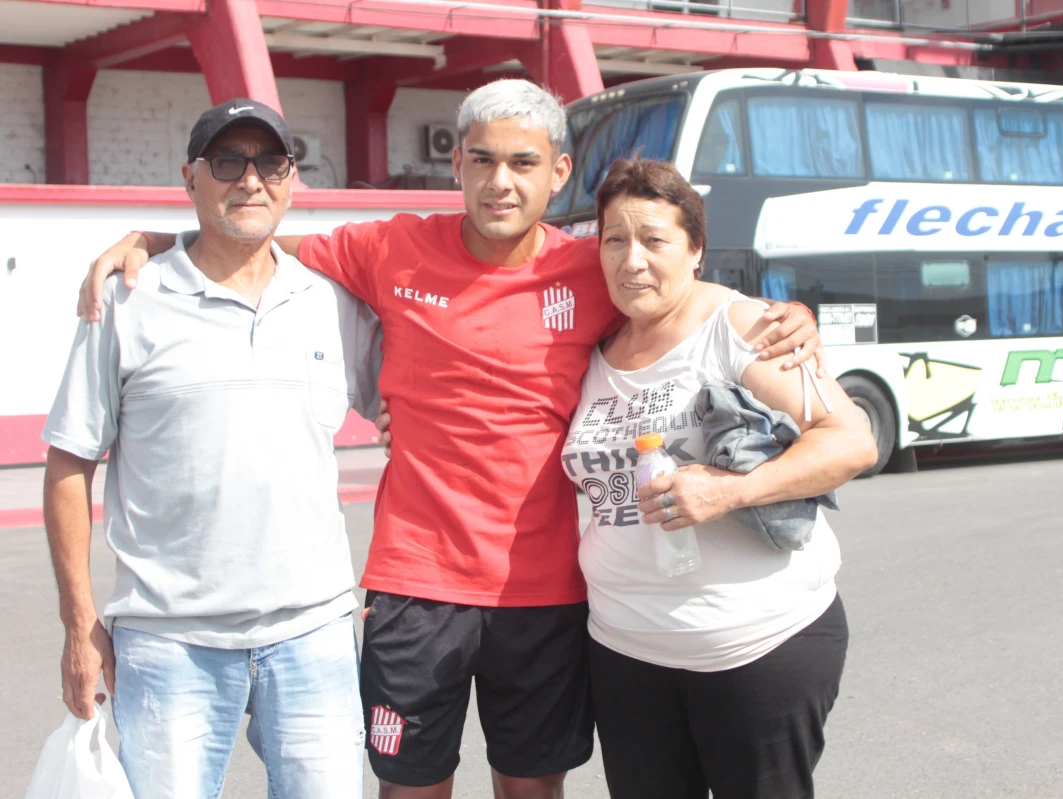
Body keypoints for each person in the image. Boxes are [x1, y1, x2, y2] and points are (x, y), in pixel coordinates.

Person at [74, 80, 825, 799]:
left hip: (546, 590)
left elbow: (677, 294)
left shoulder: (589, 272)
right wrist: (160, 236)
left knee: (531, 784)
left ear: (558, 172)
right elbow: (262, 239)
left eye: (524, 162)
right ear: (456, 163)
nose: (501, 180)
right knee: (410, 783)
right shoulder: (390, 249)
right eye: (484, 159)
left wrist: (786, 315)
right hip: (414, 589)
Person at [42, 99, 379, 798]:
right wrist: (80, 624)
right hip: (168, 642)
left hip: (313, 633)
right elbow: (69, 463)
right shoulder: (128, 298)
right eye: (228, 161)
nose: (250, 180)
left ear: (291, 179)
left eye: (270, 162)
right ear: (190, 178)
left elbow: (414, 423)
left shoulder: (330, 301)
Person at [566, 159, 876, 799]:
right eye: (614, 240)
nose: (632, 260)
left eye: (654, 240)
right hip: (625, 653)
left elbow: (851, 442)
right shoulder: (594, 343)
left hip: (755, 648)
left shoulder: (741, 327)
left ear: (696, 250)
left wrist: (731, 490)